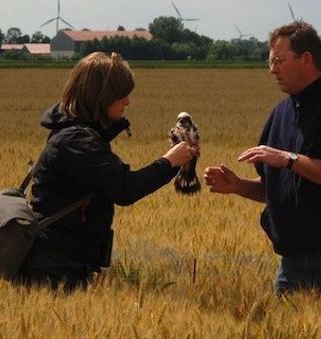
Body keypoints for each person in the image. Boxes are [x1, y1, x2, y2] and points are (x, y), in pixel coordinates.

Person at [203, 21, 321, 327]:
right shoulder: (280, 113)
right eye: (270, 61)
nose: (272, 69)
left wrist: (288, 158)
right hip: (290, 266)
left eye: (279, 61)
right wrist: (238, 185)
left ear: (307, 59)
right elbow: (276, 187)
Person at [18, 51, 198, 291]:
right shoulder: (76, 141)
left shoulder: (75, 134)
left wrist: (173, 160)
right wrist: (169, 163)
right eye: (121, 95)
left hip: (60, 260)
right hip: (56, 267)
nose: (127, 102)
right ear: (101, 97)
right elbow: (124, 188)